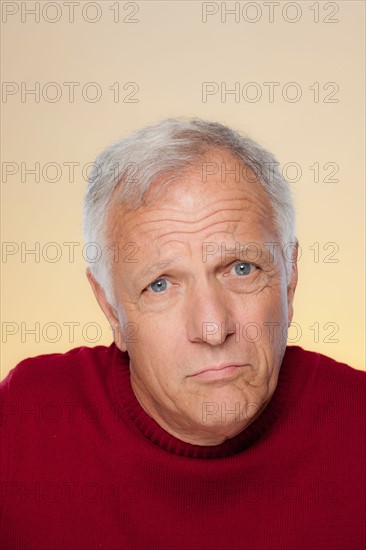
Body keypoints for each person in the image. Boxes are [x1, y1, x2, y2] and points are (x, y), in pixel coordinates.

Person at [1, 119, 364, 550]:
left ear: (290, 277)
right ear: (110, 309)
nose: (213, 328)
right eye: (160, 284)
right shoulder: (24, 422)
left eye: (241, 269)